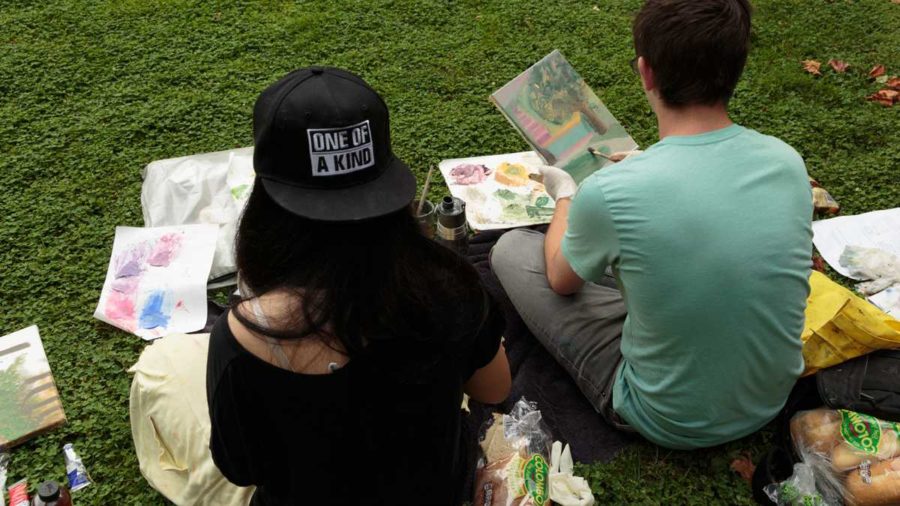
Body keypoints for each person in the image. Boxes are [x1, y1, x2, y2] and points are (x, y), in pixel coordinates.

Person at [490, 0, 813, 450]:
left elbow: (562, 282)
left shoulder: (612, 190)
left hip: (669, 417)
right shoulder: (786, 161)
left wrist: (567, 194)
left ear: (646, 72)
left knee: (512, 252)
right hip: (769, 398)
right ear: (738, 67)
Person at [206, 67, 511, 504]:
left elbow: (241, 469)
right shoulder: (449, 286)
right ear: (390, 193)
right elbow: (495, 389)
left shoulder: (241, 340)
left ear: (267, 205)